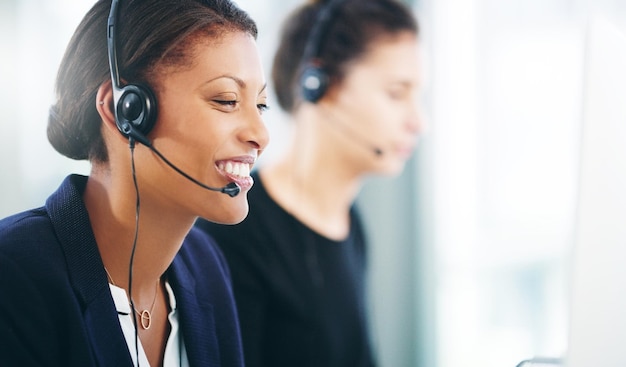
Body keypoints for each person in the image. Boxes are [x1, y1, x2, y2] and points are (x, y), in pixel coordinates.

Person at [0, 0, 269, 366]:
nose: (260, 135)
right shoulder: (14, 274)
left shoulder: (207, 266)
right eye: (226, 100)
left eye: (261, 105)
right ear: (125, 111)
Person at [195, 0, 423, 366]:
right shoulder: (235, 228)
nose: (418, 122)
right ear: (318, 85)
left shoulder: (351, 225)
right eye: (396, 94)